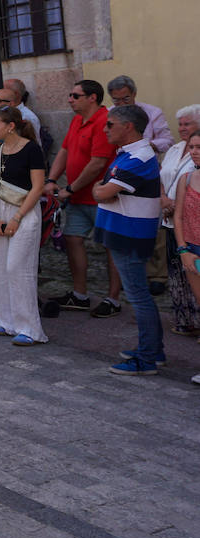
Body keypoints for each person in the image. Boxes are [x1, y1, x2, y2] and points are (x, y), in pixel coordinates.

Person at [92, 106, 164, 374]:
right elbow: (104, 189)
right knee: (139, 294)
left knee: (138, 296)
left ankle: (146, 359)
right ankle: (154, 352)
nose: (105, 128)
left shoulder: (140, 157)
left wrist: (102, 190)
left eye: (110, 124)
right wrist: (103, 190)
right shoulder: (128, 155)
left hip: (130, 235)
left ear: (128, 127)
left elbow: (103, 191)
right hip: (122, 232)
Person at [44, 80, 121, 315]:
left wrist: (71, 188)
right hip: (79, 198)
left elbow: (98, 162)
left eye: (75, 96)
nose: (70, 99)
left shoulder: (104, 121)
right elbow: (65, 150)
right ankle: (80, 295)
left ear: (92, 98)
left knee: (112, 247)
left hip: (101, 198)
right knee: (72, 239)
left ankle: (113, 299)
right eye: (70, 95)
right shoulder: (77, 120)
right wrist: (51, 179)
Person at [0, 107, 47, 345]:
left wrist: (17, 218)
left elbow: (37, 186)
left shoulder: (32, 150)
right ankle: (5, 320)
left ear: (11, 126)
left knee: (18, 268)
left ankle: (29, 328)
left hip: (24, 209)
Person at [160, 107, 200, 334]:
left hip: (192, 225)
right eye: (181, 124)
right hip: (173, 224)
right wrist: (164, 199)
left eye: (188, 124)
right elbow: (163, 178)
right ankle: (185, 320)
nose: (182, 128)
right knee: (177, 273)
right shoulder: (174, 149)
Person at [170, 132, 200, 336]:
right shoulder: (186, 178)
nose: (195, 152)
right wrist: (183, 250)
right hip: (191, 252)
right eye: (192, 147)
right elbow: (178, 217)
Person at [107, 75, 172, 154]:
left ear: (134, 94)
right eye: (116, 100)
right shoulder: (107, 114)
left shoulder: (153, 112)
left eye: (126, 99)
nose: (122, 103)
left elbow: (168, 141)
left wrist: (141, 146)